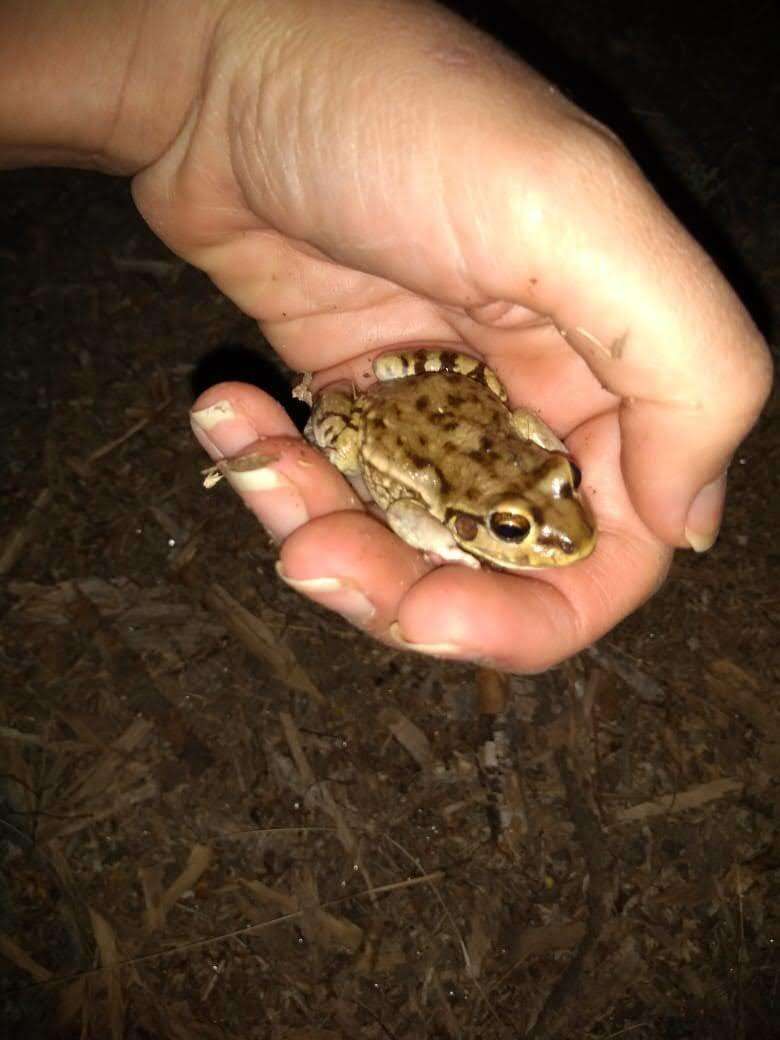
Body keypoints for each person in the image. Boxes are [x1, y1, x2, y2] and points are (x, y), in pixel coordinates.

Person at [1, 0, 771, 672]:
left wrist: (215, 73)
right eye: (514, 529)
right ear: (476, 522)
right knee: (340, 443)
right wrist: (446, 546)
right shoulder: (452, 509)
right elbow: (413, 514)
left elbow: (523, 437)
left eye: (550, 496)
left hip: (433, 391)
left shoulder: (534, 463)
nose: (560, 521)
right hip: (391, 421)